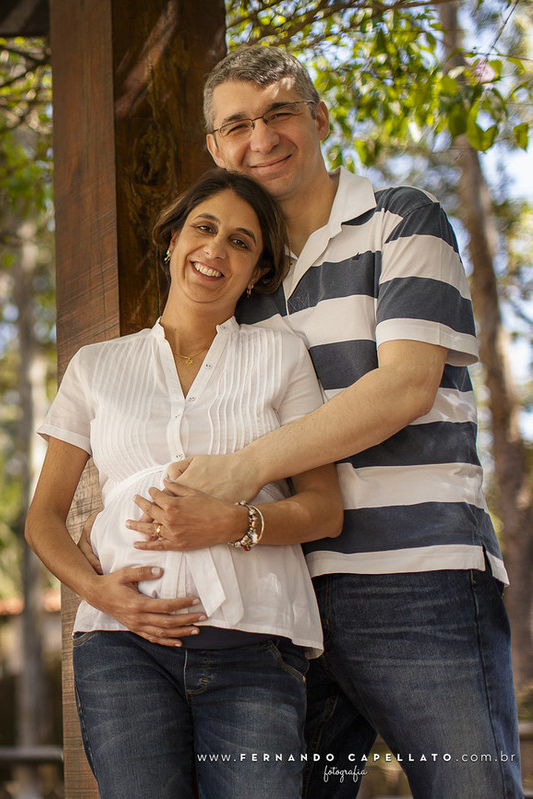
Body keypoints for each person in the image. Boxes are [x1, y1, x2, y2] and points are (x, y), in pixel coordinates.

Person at [124, 45, 521, 798]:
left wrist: (242, 472)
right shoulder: (242, 276)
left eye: (279, 113)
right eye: (236, 125)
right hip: (282, 601)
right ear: (215, 148)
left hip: (418, 584)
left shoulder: (402, 219)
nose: (261, 137)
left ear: (319, 117)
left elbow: (404, 386)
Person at [26, 168, 343, 798]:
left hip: (255, 645)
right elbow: (43, 518)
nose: (216, 250)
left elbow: (323, 509)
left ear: (257, 273)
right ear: (172, 239)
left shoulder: (280, 355)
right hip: (124, 649)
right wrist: (98, 592)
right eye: (204, 228)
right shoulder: (96, 366)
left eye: (241, 242)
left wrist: (236, 522)